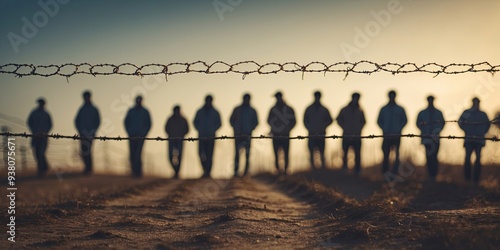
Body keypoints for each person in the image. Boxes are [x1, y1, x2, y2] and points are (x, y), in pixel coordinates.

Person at [458, 97, 490, 184]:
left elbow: (488, 125)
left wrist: (482, 133)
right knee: (467, 158)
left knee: (478, 159)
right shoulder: (467, 113)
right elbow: (460, 122)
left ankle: (476, 179)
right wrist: (466, 130)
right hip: (469, 139)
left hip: (479, 140)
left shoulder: (483, 114)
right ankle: (467, 178)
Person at [377, 90, 407, 175]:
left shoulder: (400, 109)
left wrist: (399, 129)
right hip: (386, 135)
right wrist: (384, 129)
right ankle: (385, 172)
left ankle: (395, 171)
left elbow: (404, 120)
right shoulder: (384, 109)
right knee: (385, 154)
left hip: (396, 135)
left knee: (397, 155)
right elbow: (379, 121)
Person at [416, 96, 445, 182]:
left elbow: (442, 123)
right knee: (428, 156)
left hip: (435, 139)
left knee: (434, 156)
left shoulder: (438, 113)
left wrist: (436, 132)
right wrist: (424, 130)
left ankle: (434, 175)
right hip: (426, 138)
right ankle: (429, 175)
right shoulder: (422, 113)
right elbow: (418, 123)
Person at [230, 93, 259, 177]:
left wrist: (250, 129)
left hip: (247, 135)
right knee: (237, 154)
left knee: (247, 154)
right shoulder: (237, 109)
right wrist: (236, 128)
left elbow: (256, 122)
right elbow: (231, 120)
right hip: (238, 135)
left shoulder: (252, 111)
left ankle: (246, 172)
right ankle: (236, 171)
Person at [267, 91, 296, 175]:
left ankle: (286, 170)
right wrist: (274, 128)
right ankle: (278, 169)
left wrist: (288, 129)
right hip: (276, 135)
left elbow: (293, 121)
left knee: (286, 153)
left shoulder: (289, 109)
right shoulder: (273, 110)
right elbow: (269, 120)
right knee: (276, 153)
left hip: (285, 135)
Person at [337, 92, 366, 174]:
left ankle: (357, 170)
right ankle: (344, 170)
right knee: (345, 153)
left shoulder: (360, 110)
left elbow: (363, 121)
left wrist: (358, 129)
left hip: (357, 136)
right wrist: (345, 127)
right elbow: (339, 120)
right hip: (346, 135)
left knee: (357, 154)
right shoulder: (344, 110)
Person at [194, 95, 221, 178]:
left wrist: (213, 130)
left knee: (209, 155)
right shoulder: (200, 111)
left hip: (211, 137)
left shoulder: (215, 112)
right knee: (201, 153)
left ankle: (208, 172)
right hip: (201, 136)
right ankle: (205, 169)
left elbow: (219, 123)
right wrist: (199, 129)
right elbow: (195, 122)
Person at [303, 91, 333, 169]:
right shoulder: (309, 109)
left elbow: (330, 120)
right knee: (311, 152)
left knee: (322, 152)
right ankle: (312, 168)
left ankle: (323, 168)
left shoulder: (324, 109)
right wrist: (310, 128)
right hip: (312, 134)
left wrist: (323, 127)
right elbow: (305, 120)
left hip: (321, 134)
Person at [74, 91, 101, 175]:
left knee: (88, 150)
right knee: (83, 151)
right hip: (82, 134)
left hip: (91, 134)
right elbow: (77, 121)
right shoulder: (81, 109)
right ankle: (87, 167)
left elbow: (98, 120)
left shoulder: (94, 109)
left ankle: (89, 169)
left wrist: (93, 130)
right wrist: (81, 130)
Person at [124, 96, 151, 178]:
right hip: (132, 136)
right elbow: (126, 122)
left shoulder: (145, 112)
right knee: (132, 154)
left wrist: (144, 133)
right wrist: (129, 132)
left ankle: (138, 172)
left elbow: (148, 124)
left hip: (141, 136)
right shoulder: (131, 111)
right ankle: (133, 172)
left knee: (138, 154)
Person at [27, 98, 52, 177]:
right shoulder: (34, 113)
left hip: (43, 137)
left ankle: (42, 170)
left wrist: (45, 132)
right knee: (37, 154)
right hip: (35, 136)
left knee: (41, 153)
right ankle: (44, 168)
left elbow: (50, 124)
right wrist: (34, 131)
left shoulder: (46, 114)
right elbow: (29, 122)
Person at [165, 105, 189, 179]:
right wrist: (170, 135)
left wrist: (182, 135)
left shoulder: (183, 119)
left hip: (180, 140)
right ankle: (175, 170)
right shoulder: (170, 119)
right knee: (170, 156)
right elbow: (166, 128)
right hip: (171, 140)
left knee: (179, 157)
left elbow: (187, 129)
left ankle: (177, 172)